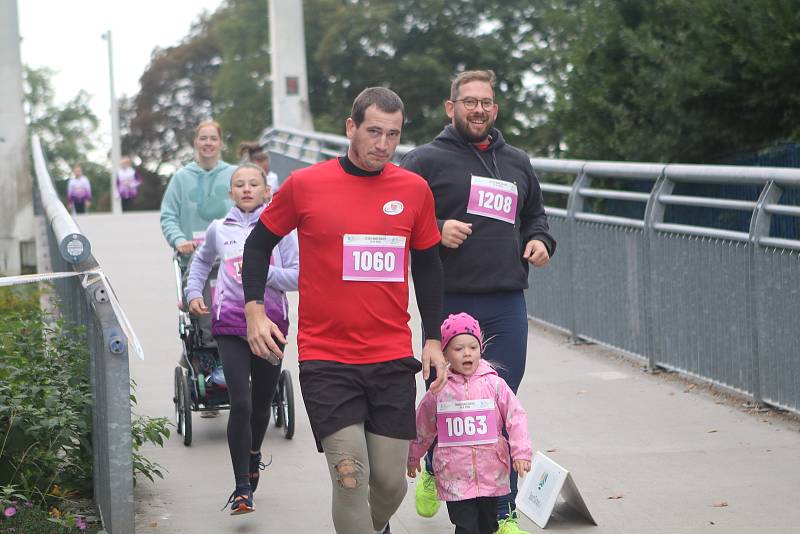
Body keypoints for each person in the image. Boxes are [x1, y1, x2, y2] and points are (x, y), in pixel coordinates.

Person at [241, 87, 448, 534]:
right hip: (326, 358)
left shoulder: (414, 190)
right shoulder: (306, 184)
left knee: (390, 485)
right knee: (351, 478)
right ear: (351, 128)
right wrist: (255, 311)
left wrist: (433, 339)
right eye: (374, 131)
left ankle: (374, 527)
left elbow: (429, 265)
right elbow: (258, 244)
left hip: (391, 356)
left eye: (393, 134)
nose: (383, 144)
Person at [401, 69, 555, 534]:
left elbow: (536, 217)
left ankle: (503, 507)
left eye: (486, 102)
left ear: (495, 108)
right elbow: (396, 219)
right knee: (447, 400)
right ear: (451, 108)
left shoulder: (517, 161)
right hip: (448, 301)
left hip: (506, 303)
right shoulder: (425, 161)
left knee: (497, 405)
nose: (479, 109)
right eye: (469, 101)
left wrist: (542, 241)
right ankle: (434, 466)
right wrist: (435, 230)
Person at [185, 163, 299, 514]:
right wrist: (192, 291)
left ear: (267, 191)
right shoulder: (219, 229)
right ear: (230, 193)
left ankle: (253, 454)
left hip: (271, 323)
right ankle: (241, 488)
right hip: (229, 323)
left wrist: (261, 272)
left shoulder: (282, 231)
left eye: (254, 184)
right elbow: (201, 263)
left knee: (263, 403)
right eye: (239, 184)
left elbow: (297, 276)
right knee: (242, 403)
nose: (247, 189)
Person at [408, 313, 532, 534]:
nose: (467, 353)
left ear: (480, 349)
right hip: (454, 477)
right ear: (445, 354)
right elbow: (423, 424)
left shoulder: (495, 385)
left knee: (488, 526)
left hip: (490, 475)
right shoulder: (439, 390)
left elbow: (516, 417)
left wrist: (521, 453)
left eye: (473, 347)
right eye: (458, 349)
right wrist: (413, 455)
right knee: (466, 527)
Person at [160, 119, 236, 261]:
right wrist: (179, 240)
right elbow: (168, 216)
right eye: (203, 138)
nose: (208, 142)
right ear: (196, 142)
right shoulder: (181, 178)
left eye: (213, 138)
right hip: (192, 260)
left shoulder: (235, 174)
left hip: (231, 259)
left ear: (220, 143)